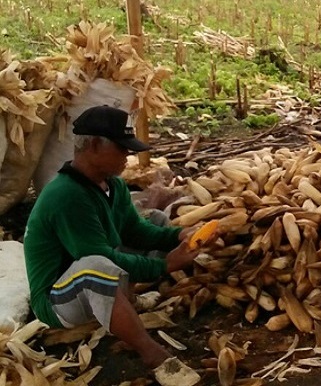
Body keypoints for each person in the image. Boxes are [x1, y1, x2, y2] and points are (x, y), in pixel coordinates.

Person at [24, 105, 200, 383]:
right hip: (58, 300)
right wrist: (164, 265)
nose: (128, 157)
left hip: (91, 276)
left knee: (155, 219)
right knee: (96, 267)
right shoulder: (66, 196)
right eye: (122, 149)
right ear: (93, 145)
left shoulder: (113, 186)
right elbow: (98, 257)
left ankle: (124, 305)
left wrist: (177, 236)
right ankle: (153, 355)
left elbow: (137, 231)